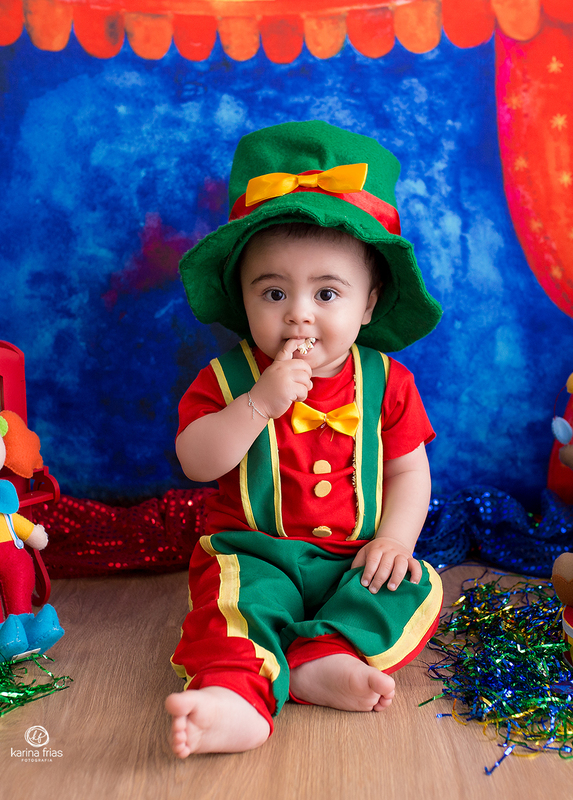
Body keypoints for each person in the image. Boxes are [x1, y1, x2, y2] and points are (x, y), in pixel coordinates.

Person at [166, 120, 444, 757]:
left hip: (355, 555)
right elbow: (196, 461)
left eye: (327, 292)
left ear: (368, 306)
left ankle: (326, 656)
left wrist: (396, 539)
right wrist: (256, 405)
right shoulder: (229, 378)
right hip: (255, 549)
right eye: (273, 292)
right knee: (234, 605)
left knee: (410, 584)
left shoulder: (388, 382)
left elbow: (408, 472)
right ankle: (235, 698)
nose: (299, 313)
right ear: (242, 298)